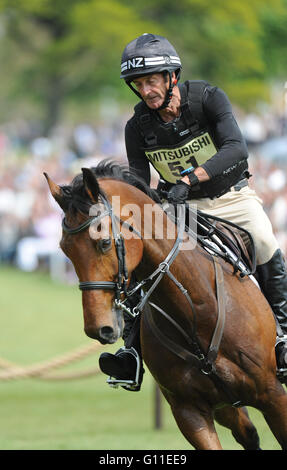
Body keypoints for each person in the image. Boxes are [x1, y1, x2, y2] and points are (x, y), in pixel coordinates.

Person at [99, 33, 287, 389]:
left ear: (171, 77)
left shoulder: (208, 99)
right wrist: (146, 200)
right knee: (144, 261)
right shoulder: (136, 127)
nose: (146, 90)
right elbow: (139, 179)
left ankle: (283, 337)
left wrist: (191, 178)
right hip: (181, 209)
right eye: (139, 84)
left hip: (231, 198)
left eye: (152, 80)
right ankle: (131, 352)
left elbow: (236, 148)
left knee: (264, 241)